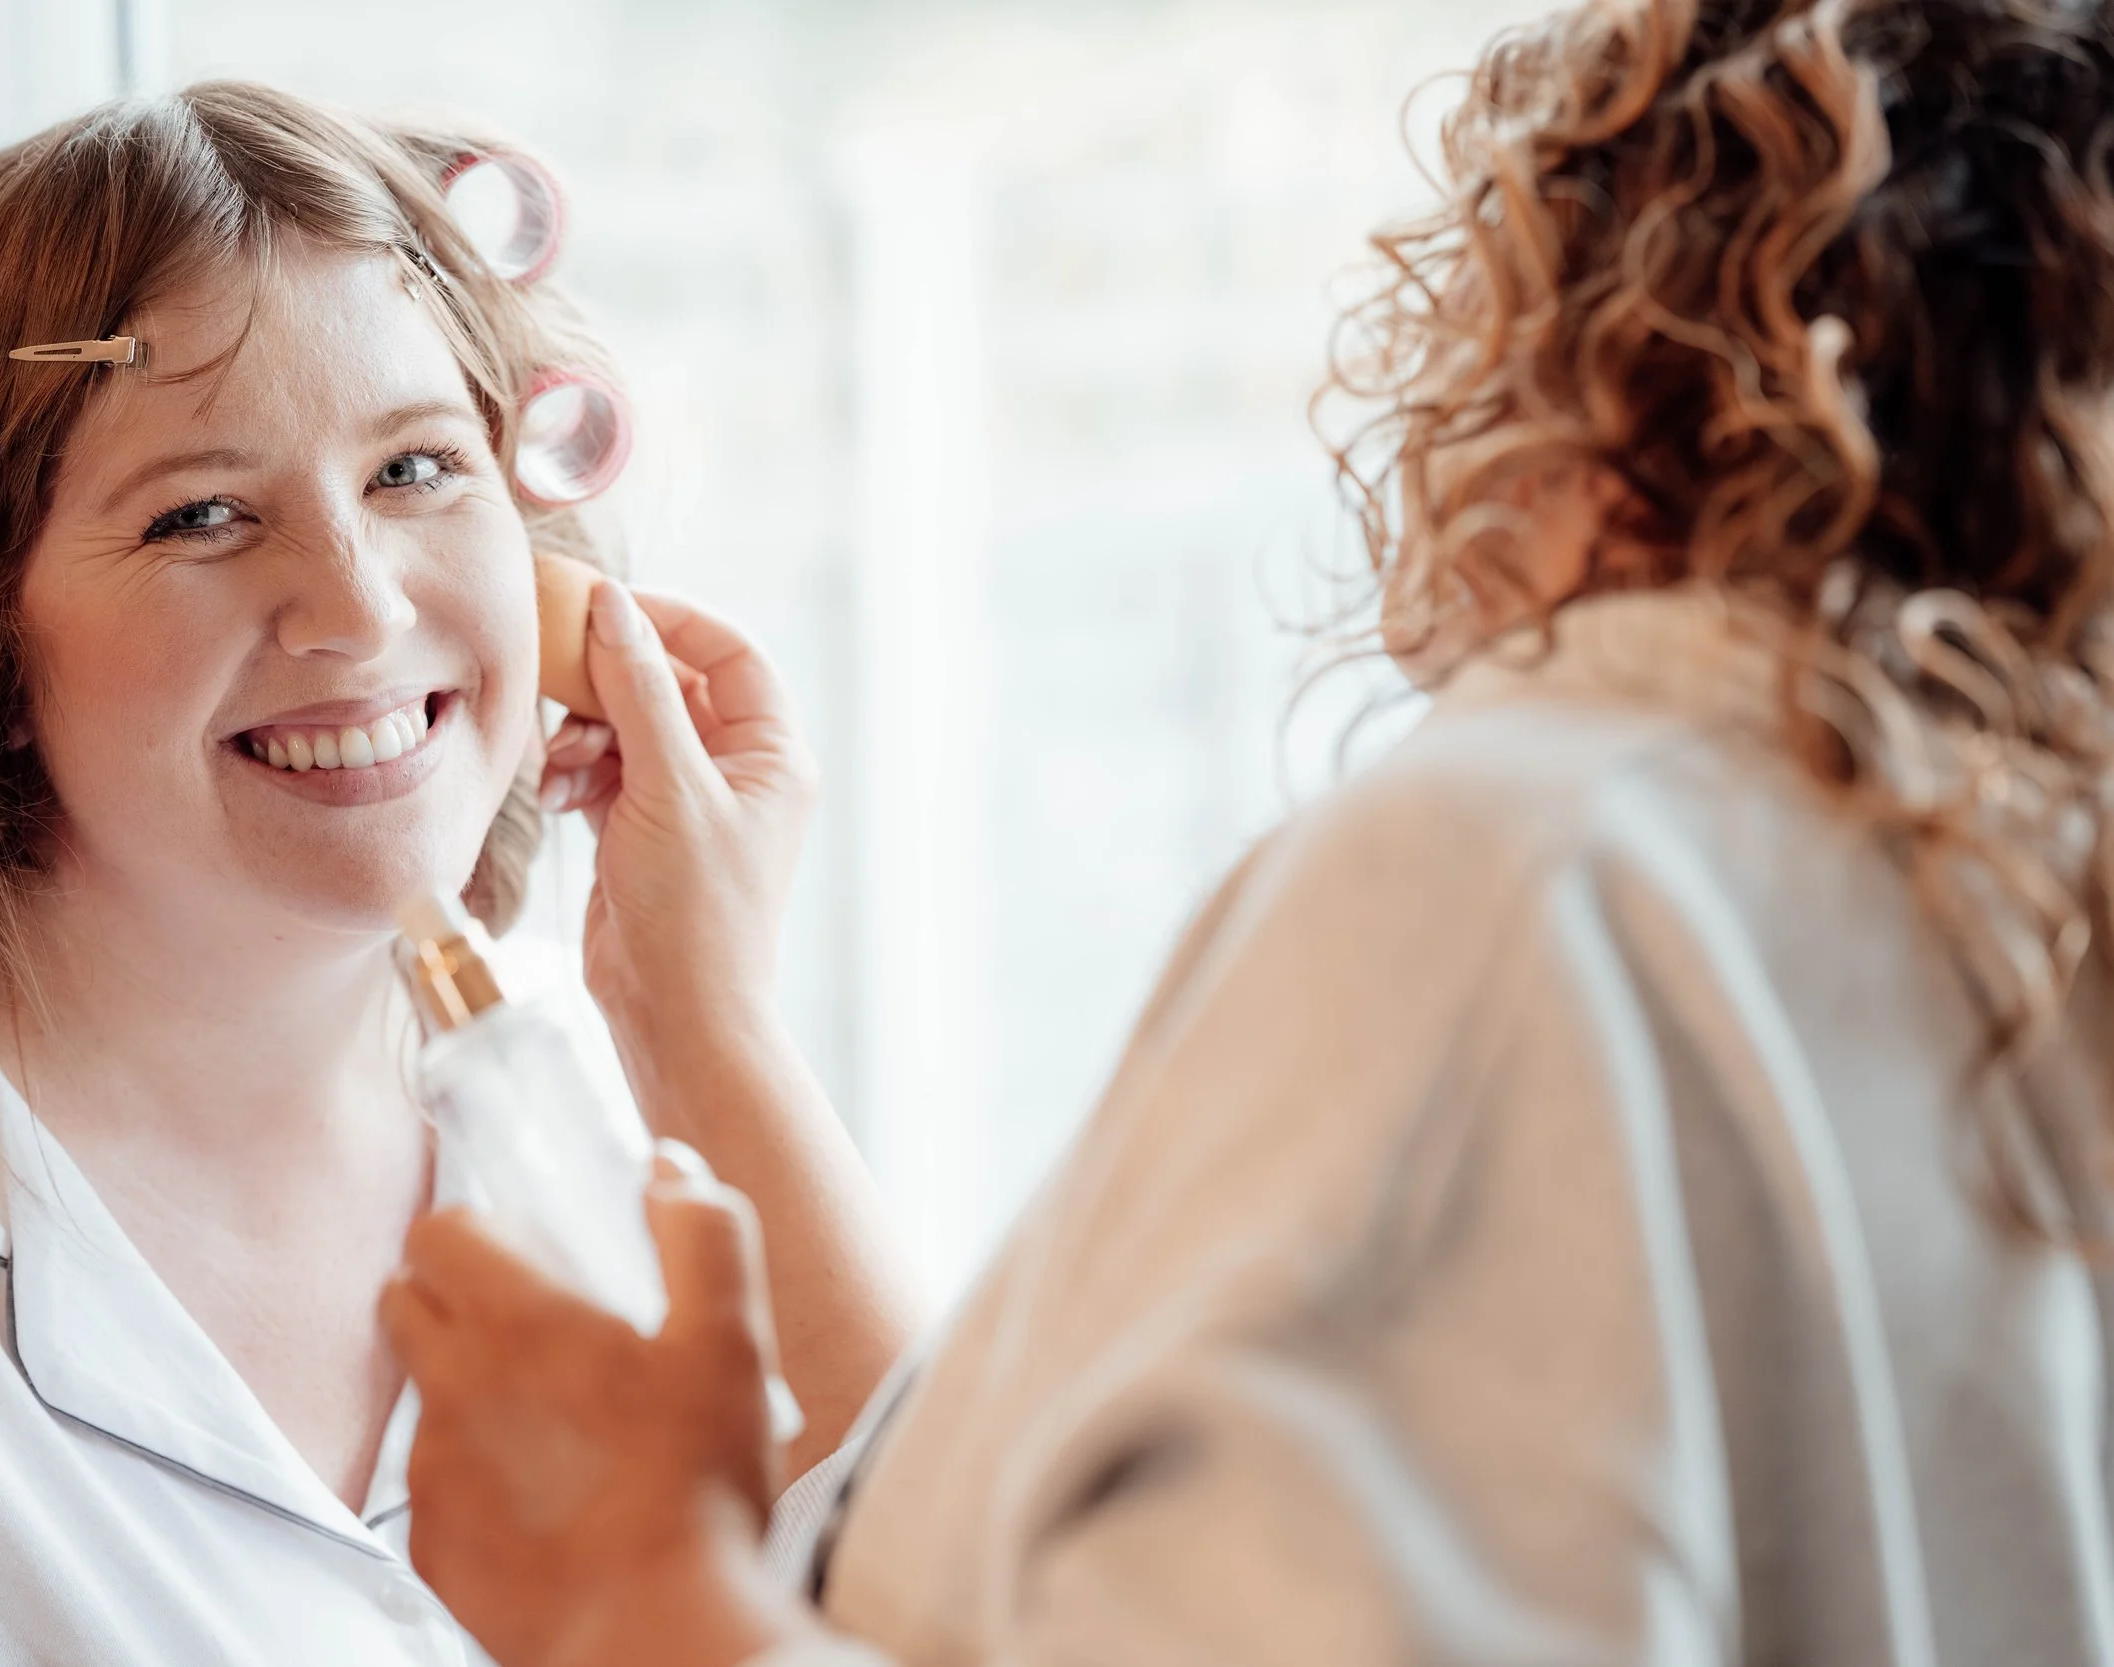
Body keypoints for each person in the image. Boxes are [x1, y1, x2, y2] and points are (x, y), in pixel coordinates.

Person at [382, 1, 2114, 1662]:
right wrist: (702, 1021)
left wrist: (635, 1594)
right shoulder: (1994, 894)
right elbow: (1021, 1572)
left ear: (1597, 364)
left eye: (414, 471)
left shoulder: (1528, 876)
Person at [0, 83, 910, 1662]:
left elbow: (982, 1609)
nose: (356, 611)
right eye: (202, 514)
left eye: (418, 470)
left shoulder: (621, 1121)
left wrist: (706, 1020)